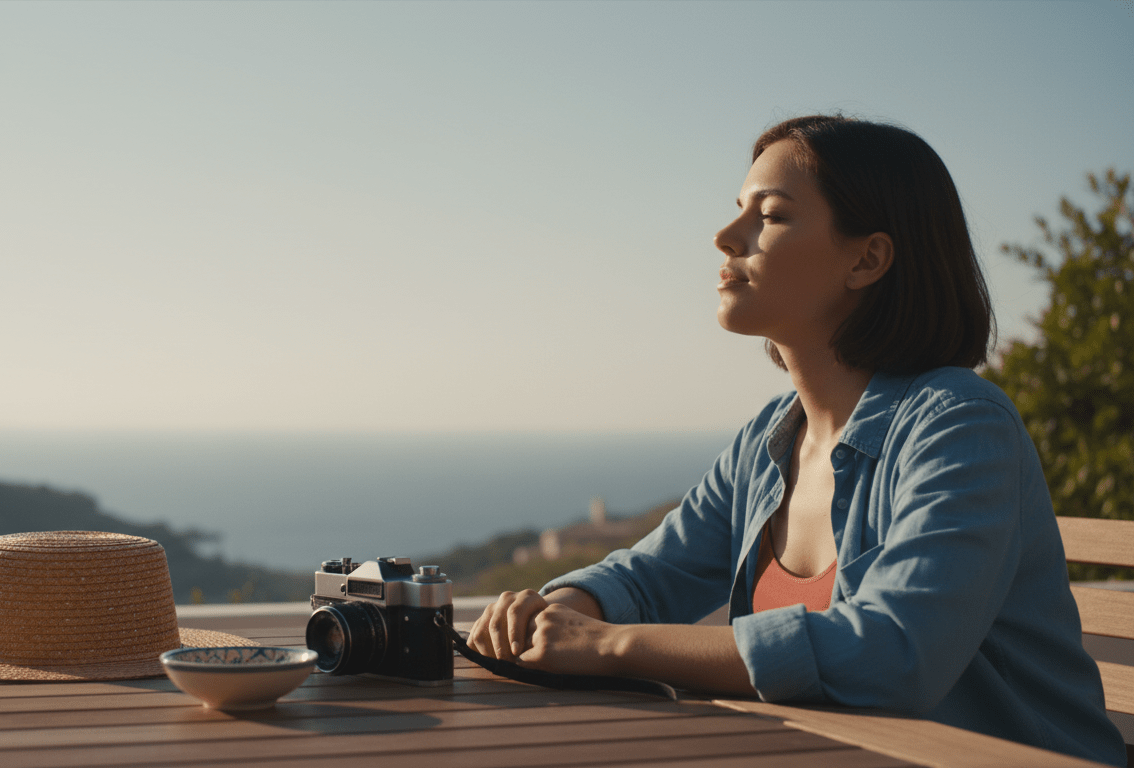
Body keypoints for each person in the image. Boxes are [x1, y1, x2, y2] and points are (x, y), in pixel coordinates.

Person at [467, 114, 1127, 766]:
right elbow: (655, 573)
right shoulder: (772, 438)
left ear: (867, 259)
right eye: (737, 211)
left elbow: (895, 652)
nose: (727, 237)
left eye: (771, 216)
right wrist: (558, 610)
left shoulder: (959, 423)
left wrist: (607, 646)